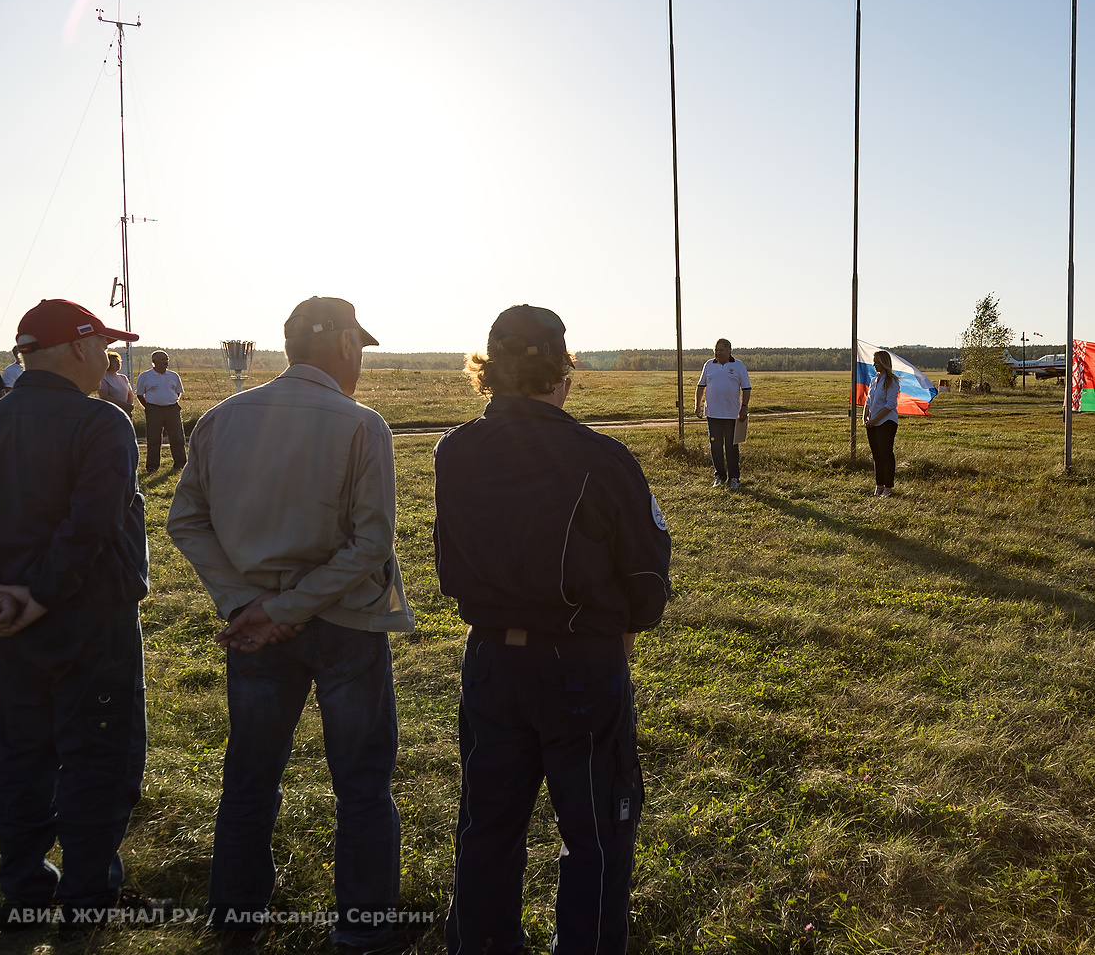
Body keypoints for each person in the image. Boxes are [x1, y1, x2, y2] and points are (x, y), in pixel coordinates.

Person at [167, 297, 411, 952]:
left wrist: (246, 604)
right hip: (346, 624)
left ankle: (235, 917)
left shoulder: (220, 418)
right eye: (359, 348)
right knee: (362, 783)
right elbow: (371, 544)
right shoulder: (363, 425)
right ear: (347, 346)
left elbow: (185, 519)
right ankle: (362, 929)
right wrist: (281, 609)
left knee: (249, 776)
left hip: (254, 627)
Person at [433, 304, 671, 955]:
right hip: (581, 666)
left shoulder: (454, 451)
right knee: (596, 834)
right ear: (562, 371)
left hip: (490, 661)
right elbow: (647, 579)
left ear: (489, 370)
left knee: (487, 826)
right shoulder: (601, 457)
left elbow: (449, 558)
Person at [0, 299, 152, 923]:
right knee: (99, 754)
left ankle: (24, 886)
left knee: (21, 751)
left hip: (5, 621)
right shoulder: (101, 422)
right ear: (80, 347)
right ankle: (88, 894)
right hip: (91, 617)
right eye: (104, 347)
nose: (107, 359)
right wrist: (44, 596)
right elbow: (91, 523)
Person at [694, 338, 750, 490]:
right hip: (713, 414)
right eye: (716, 350)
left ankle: (734, 478)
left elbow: (746, 388)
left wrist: (744, 407)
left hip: (732, 415)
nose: (718, 353)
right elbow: (701, 386)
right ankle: (719, 476)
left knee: (732, 448)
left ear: (729, 351)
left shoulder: (738, 366)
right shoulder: (709, 365)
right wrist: (697, 405)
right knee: (715, 446)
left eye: (721, 350)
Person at [136, 350, 185, 473]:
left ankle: (180, 463)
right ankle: (152, 466)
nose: (165, 362)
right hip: (154, 410)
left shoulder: (173, 376)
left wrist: (171, 401)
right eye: (162, 359)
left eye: (166, 359)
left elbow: (178, 392)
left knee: (177, 437)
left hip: (172, 409)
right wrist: (148, 407)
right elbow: (140, 394)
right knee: (153, 439)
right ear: (154, 361)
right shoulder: (145, 376)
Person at [864, 349, 900, 497]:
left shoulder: (891, 381)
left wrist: (874, 420)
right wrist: (865, 417)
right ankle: (879, 485)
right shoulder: (874, 380)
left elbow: (890, 404)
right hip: (872, 422)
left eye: (877, 362)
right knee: (876, 455)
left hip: (886, 422)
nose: (874, 365)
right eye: (874, 362)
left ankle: (888, 487)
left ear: (884, 363)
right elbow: (868, 401)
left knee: (886, 454)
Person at [99, 351, 135, 417]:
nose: (118, 364)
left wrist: (128, 407)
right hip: (111, 412)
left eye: (119, 361)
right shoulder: (104, 378)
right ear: (108, 363)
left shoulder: (123, 377)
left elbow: (130, 394)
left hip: (125, 412)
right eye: (115, 362)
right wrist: (124, 405)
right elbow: (104, 396)